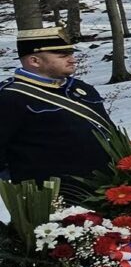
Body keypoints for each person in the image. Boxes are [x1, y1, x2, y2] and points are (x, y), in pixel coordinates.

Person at [0, 27, 118, 198]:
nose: (72, 59)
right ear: (34, 60)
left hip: (104, 188)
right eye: (63, 56)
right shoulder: (10, 97)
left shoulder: (81, 88)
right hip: (53, 196)